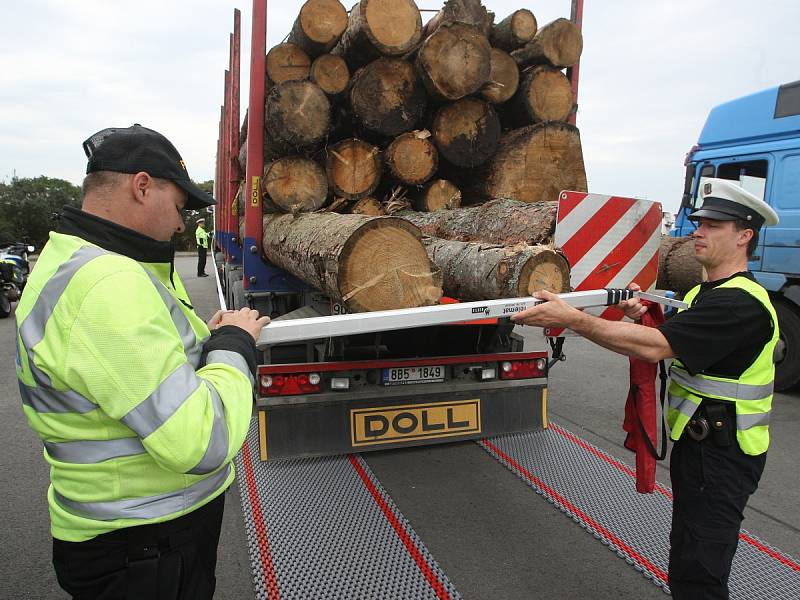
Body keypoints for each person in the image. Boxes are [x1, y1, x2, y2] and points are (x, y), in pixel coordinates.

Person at [15, 124, 270, 599]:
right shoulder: (106, 285)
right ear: (142, 186)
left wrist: (208, 342)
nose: (179, 224)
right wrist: (235, 345)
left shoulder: (75, 260)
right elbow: (200, 440)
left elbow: (140, 369)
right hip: (144, 545)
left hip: (130, 536)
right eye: (178, 207)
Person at [511, 178, 779, 600]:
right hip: (703, 446)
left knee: (701, 569)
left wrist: (573, 318)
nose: (698, 231)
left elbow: (657, 348)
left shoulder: (740, 302)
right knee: (689, 552)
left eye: (713, 225)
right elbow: (673, 342)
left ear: (744, 235)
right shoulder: (706, 293)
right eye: (699, 222)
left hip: (725, 452)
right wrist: (640, 319)